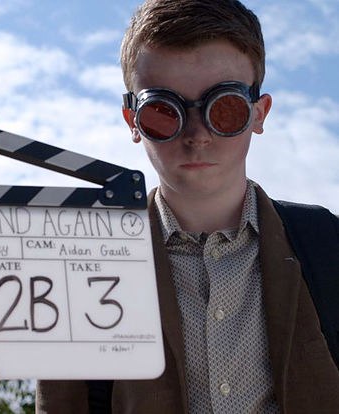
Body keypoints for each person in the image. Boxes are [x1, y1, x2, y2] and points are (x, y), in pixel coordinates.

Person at [36, 0, 339, 413]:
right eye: (164, 112)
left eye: (224, 109)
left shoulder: (326, 246)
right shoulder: (88, 266)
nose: (197, 135)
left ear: (258, 113)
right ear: (132, 121)